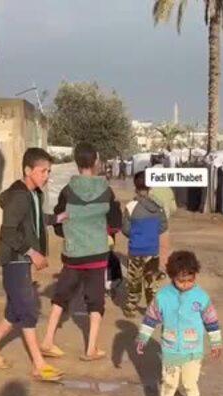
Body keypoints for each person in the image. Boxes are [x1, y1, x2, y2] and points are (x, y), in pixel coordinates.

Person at [0, 148, 66, 382]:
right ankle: (39, 364)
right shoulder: (19, 196)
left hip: (22, 260)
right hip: (15, 260)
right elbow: (7, 231)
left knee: (14, 312)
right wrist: (32, 252)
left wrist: (56, 218)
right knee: (27, 311)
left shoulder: (34, 194)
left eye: (48, 171)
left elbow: (34, 218)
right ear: (28, 170)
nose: (46, 175)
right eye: (42, 171)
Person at [41, 142, 117, 361]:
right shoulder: (106, 190)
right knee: (95, 301)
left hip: (73, 255)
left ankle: (47, 341)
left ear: (76, 162)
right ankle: (91, 348)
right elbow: (113, 220)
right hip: (97, 255)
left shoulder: (68, 190)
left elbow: (58, 218)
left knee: (60, 297)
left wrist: (71, 235)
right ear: (95, 162)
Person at [136, 250, 222, 396]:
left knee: (190, 382)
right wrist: (143, 338)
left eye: (190, 280)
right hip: (171, 350)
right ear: (171, 276)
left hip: (193, 351)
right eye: (180, 281)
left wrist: (216, 343)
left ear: (195, 275)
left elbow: (212, 322)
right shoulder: (162, 296)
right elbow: (150, 319)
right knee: (169, 383)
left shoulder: (201, 297)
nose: (185, 285)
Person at [122, 171, 168, 319]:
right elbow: (163, 227)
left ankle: (131, 308)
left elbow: (125, 229)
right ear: (150, 187)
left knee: (134, 280)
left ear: (135, 187)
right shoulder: (158, 206)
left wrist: (137, 235)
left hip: (135, 250)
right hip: (152, 250)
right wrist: (151, 233)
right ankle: (152, 310)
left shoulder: (130, 206)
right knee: (151, 281)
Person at [149, 181, 177, 270]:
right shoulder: (169, 190)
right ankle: (162, 267)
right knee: (164, 246)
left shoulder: (151, 190)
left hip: (151, 221)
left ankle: (151, 266)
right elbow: (174, 208)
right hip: (164, 220)